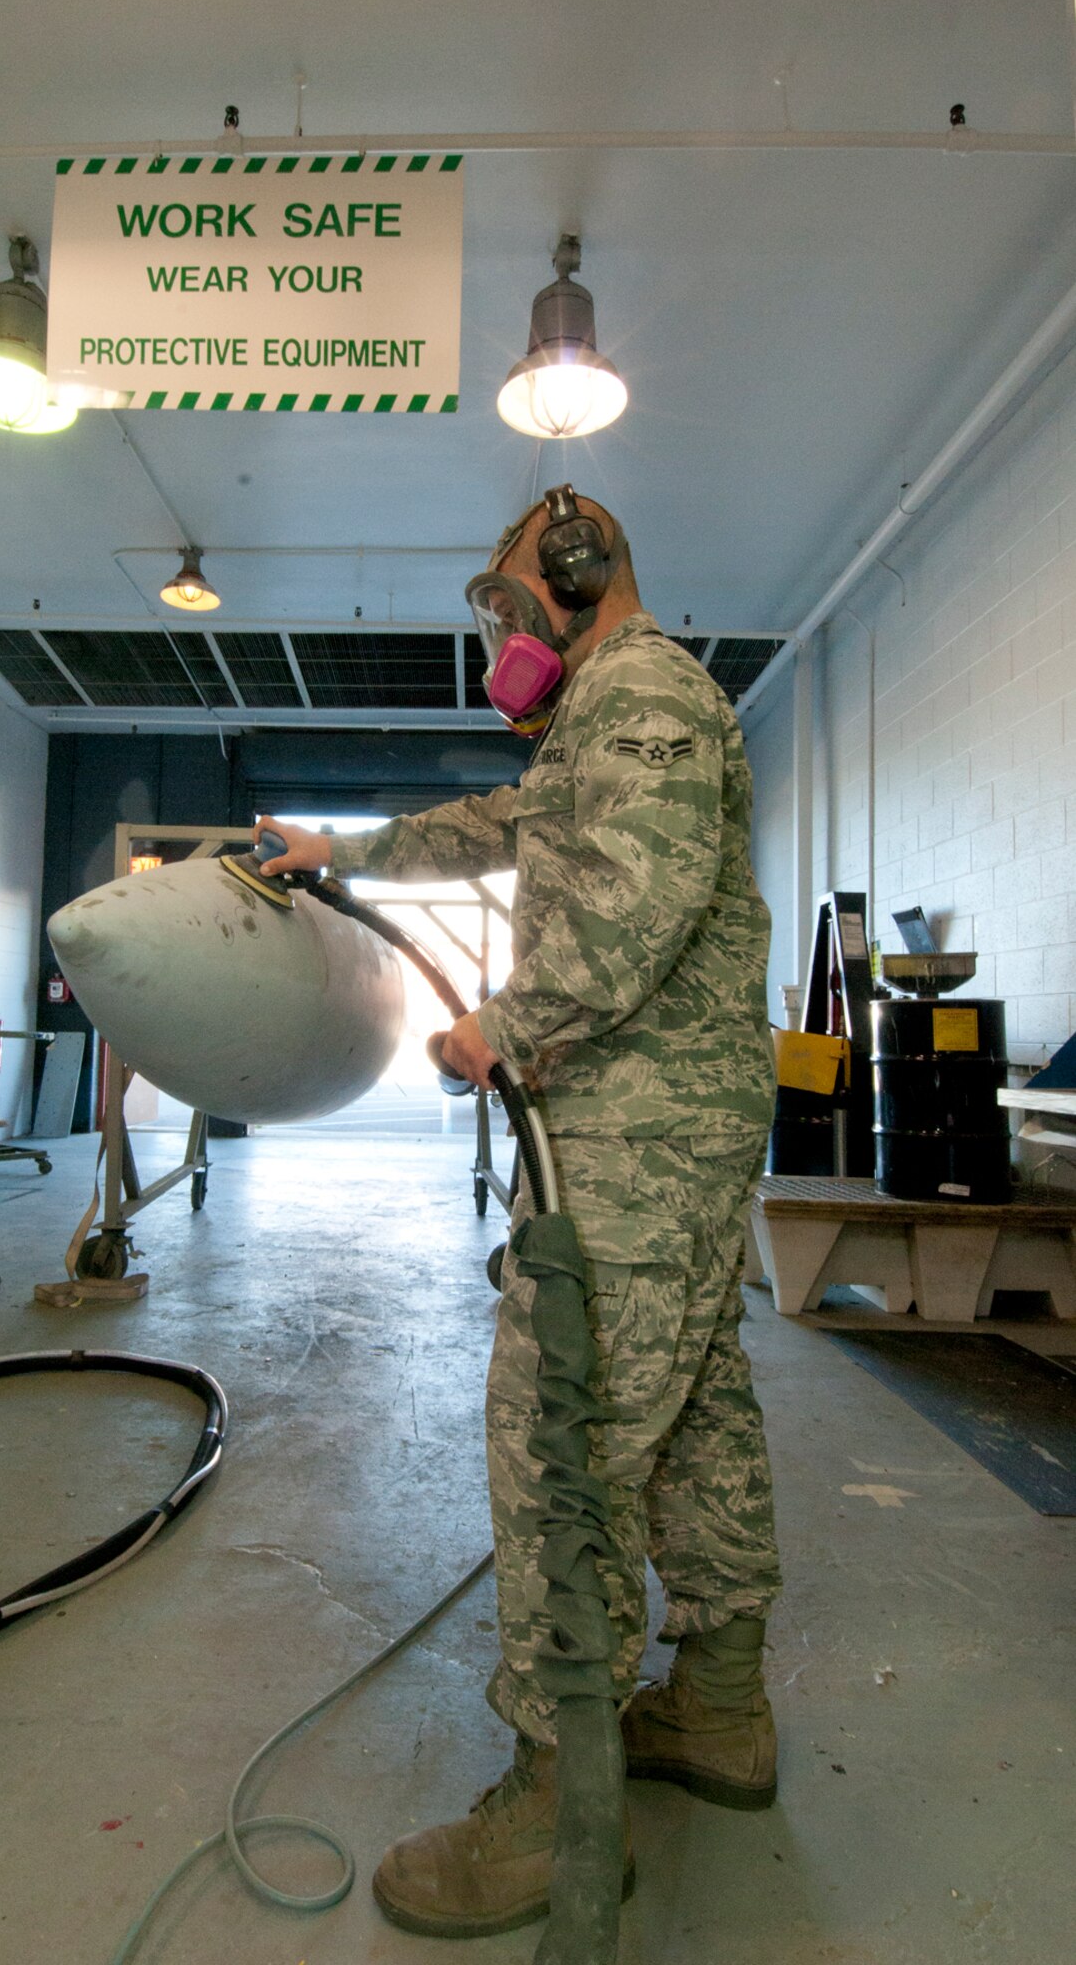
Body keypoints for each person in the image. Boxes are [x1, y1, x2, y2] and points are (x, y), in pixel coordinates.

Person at [257, 484, 781, 1940]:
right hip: (654, 1126)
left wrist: (508, 1017)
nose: (495, 633)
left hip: (640, 1124)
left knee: (564, 1431)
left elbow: (633, 894)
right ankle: (720, 1711)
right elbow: (507, 820)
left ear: (572, 570)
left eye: (500, 602)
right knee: (686, 1411)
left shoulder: (647, 695)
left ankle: (560, 1803)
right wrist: (340, 849)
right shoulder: (595, 721)